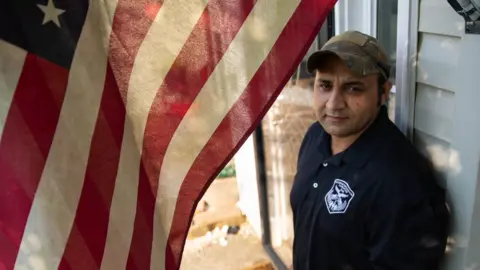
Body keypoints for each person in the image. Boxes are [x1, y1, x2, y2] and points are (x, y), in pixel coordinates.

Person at [289, 31, 449, 270]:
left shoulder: (400, 182)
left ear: (383, 92)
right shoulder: (316, 137)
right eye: (325, 85)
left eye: (353, 88)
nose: (333, 103)